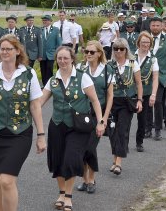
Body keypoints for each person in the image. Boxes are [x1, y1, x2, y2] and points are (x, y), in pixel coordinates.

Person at [0, 34, 46, 211]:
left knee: (7, 181)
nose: (5, 52)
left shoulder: (28, 73)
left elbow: (35, 106)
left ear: (17, 51)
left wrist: (41, 135)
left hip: (20, 133)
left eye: (9, 49)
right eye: (2, 49)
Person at [40, 46, 104, 210]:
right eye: (59, 58)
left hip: (77, 127)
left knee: (70, 159)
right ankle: (61, 194)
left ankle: (68, 196)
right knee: (58, 161)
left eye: (65, 58)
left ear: (72, 59)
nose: (62, 61)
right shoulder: (53, 80)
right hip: (57, 125)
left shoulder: (83, 78)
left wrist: (101, 121)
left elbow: (95, 101)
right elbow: (39, 102)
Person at [75, 41, 114, 194]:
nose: (88, 54)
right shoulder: (80, 68)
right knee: (81, 148)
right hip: (82, 114)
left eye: (92, 52)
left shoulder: (107, 70)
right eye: (86, 52)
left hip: (98, 114)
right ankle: (84, 180)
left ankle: (91, 179)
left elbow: (110, 96)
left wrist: (103, 119)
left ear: (99, 53)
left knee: (90, 147)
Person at [109, 38, 143, 175]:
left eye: (122, 49)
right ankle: (114, 158)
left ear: (126, 50)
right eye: (116, 48)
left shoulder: (133, 64)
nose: (118, 51)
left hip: (127, 101)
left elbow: (139, 83)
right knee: (112, 131)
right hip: (112, 101)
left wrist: (140, 100)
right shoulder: (109, 64)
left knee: (122, 130)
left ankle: (118, 163)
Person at [149, 16, 166, 140]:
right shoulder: (144, 38)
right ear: (150, 26)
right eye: (153, 25)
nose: (155, 27)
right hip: (145, 75)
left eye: (157, 25)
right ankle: (146, 128)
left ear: (161, 27)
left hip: (161, 76)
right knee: (145, 102)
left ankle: (158, 129)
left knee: (158, 101)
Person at [135, 32, 159, 151]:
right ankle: (122, 142)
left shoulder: (153, 59)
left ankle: (139, 142)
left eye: (148, 42)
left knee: (142, 119)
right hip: (131, 92)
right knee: (125, 119)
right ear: (138, 42)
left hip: (146, 91)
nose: (145, 44)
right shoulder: (131, 57)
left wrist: (153, 94)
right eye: (143, 42)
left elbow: (155, 78)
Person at [41, 14, 62, 87]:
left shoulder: (56, 30)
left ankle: (50, 85)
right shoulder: (40, 30)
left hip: (51, 54)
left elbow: (59, 43)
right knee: (43, 70)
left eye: (46, 20)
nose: (44, 22)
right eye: (43, 20)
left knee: (49, 70)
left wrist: (58, 54)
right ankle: (44, 85)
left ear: (50, 21)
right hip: (42, 55)